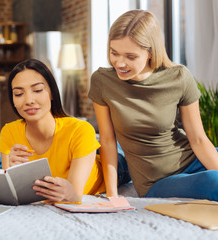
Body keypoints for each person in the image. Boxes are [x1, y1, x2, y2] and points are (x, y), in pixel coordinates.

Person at [89, 9, 218, 200]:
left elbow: (198, 139)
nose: (120, 63)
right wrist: (112, 195)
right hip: (156, 180)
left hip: (193, 159)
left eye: (130, 57)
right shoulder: (102, 81)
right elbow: (107, 141)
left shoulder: (179, 77)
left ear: (150, 52)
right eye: (114, 53)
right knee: (212, 180)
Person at [0, 58, 130, 202]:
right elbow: (11, 195)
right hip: (79, 151)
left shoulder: (81, 130)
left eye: (37, 90)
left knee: (123, 159)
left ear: (51, 93)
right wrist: (11, 172)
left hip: (113, 166)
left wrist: (70, 194)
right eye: (18, 94)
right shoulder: (9, 132)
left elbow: (73, 196)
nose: (28, 100)